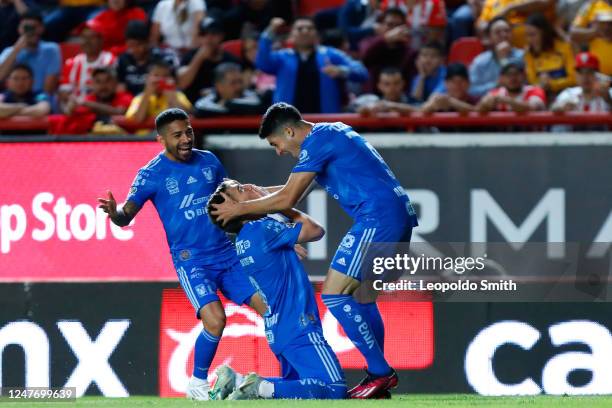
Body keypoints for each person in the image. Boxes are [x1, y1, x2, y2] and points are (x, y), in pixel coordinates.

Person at [211, 102, 419, 399]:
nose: (279, 151)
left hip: (378, 217)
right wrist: (253, 195)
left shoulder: (317, 143)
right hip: (397, 214)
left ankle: (381, 373)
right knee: (361, 295)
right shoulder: (330, 133)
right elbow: (289, 189)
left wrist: (241, 207)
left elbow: (288, 197)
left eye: (276, 143)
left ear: (290, 130)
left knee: (335, 294)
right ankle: (378, 376)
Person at [97, 109, 265, 401]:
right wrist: (115, 214)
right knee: (215, 320)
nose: (186, 139)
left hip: (227, 255)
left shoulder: (209, 162)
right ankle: (198, 385)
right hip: (193, 262)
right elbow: (127, 215)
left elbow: (235, 203)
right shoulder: (150, 175)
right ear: (160, 139)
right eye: (178, 135)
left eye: (188, 131)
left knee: (270, 309)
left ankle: (292, 377)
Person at [205, 180, 347, 400]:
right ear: (236, 211)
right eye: (241, 190)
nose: (251, 187)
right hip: (298, 327)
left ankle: (239, 382)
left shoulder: (246, 238)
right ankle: (257, 387)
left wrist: (284, 237)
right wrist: (282, 203)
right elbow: (315, 230)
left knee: (297, 389)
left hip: (279, 331)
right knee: (334, 389)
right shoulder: (261, 229)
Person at [256, 17, 369, 113]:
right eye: (299, 29)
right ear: (291, 35)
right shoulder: (282, 57)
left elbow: (362, 72)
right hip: (288, 123)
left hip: (325, 122)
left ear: (317, 34)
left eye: (310, 28)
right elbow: (262, 63)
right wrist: (270, 31)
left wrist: (341, 71)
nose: (305, 31)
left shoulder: (331, 54)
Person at [178, 17, 241, 104]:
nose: (208, 38)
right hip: (193, 109)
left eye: (213, 34)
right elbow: (182, 84)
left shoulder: (231, 60)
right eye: (203, 34)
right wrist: (198, 58)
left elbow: (238, 90)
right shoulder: (189, 57)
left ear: (221, 36)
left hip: (224, 107)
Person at [0, 10, 61, 94]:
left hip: (40, 101)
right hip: (13, 101)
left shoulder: (51, 50)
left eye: (34, 27)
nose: (31, 32)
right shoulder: (9, 51)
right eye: (27, 28)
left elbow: (48, 89)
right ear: (19, 29)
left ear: (42, 28)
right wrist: (16, 50)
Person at [360, 7, 417, 93]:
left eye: (398, 25)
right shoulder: (368, 42)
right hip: (371, 95)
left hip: (399, 97)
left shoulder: (410, 52)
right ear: (381, 25)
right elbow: (365, 58)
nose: (394, 29)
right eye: (390, 25)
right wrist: (386, 39)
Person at [468, 16, 525, 98]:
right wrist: (495, 85)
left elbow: (530, 85)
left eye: (507, 31)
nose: (503, 35)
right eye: (498, 32)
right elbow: (471, 90)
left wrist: (504, 59)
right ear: (489, 37)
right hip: (491, 106)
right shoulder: (480, 62)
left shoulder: (523, 57)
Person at [523, 13, 576, 95]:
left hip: (566, 93)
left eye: (533, 35)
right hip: (542, 94)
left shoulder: (564, 48)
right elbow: (532, 81)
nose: (529, 39)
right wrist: (541, 84)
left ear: (544, 33)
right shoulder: (529, 53)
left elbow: (574, 78)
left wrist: (552, 84)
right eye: (527, 35)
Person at [125, 60, 192, 124]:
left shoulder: (178, 96)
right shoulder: (139, 98)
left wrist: (172, 98)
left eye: (165, 76)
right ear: (148, 78)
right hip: (145, 135)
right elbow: (138, 120)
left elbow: (185, 119)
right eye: (156, 75)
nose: (160, 79)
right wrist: (147, 94)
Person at [60, 24, 116, 98]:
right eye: (83, 37)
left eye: (92, 37)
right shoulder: (71, 63)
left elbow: (110, 91)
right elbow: (64, 91)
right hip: (75, 106)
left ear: (101, 40)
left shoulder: (110, 61)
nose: (87, 41)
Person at [193, 62, 265, 117]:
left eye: (240, 81)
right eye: (233, 83)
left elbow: (257, 108)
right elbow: (199, 109)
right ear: (219, 86)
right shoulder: (208, 99)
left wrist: (227, 104)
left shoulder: (253, 96)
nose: (238, 86)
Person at [476, 0, 555, 48]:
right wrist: (494, 25)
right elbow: (481, 22)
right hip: (499, 44)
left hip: (528, 46)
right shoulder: (491, 1)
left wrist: (511, 8)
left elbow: (543, 3)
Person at [477, 59, 546, 112]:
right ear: (501, 78)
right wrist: (484, 105)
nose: (512, 78)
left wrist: (507, 100)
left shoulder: (535, 91)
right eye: (508, 75)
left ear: (524, 76)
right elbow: (479, 110)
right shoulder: (495, 93)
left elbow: (532, 107)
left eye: (516, 74)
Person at [350, 66, 417, 115]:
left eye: (396, 83)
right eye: (387, 84)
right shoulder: (373, 101)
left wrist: (391, 105)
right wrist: (365, 109)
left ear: (403, 84)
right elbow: (352, 110)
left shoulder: (412, 101)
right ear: (379, 86)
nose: (392, 88)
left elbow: (420, 110)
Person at [571, 8, 612, 76]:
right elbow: (573, 33)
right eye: (603, 24)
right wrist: (595, 32)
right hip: (599, 78)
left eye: (610, 23)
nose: (607, 27)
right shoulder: (591, 5)